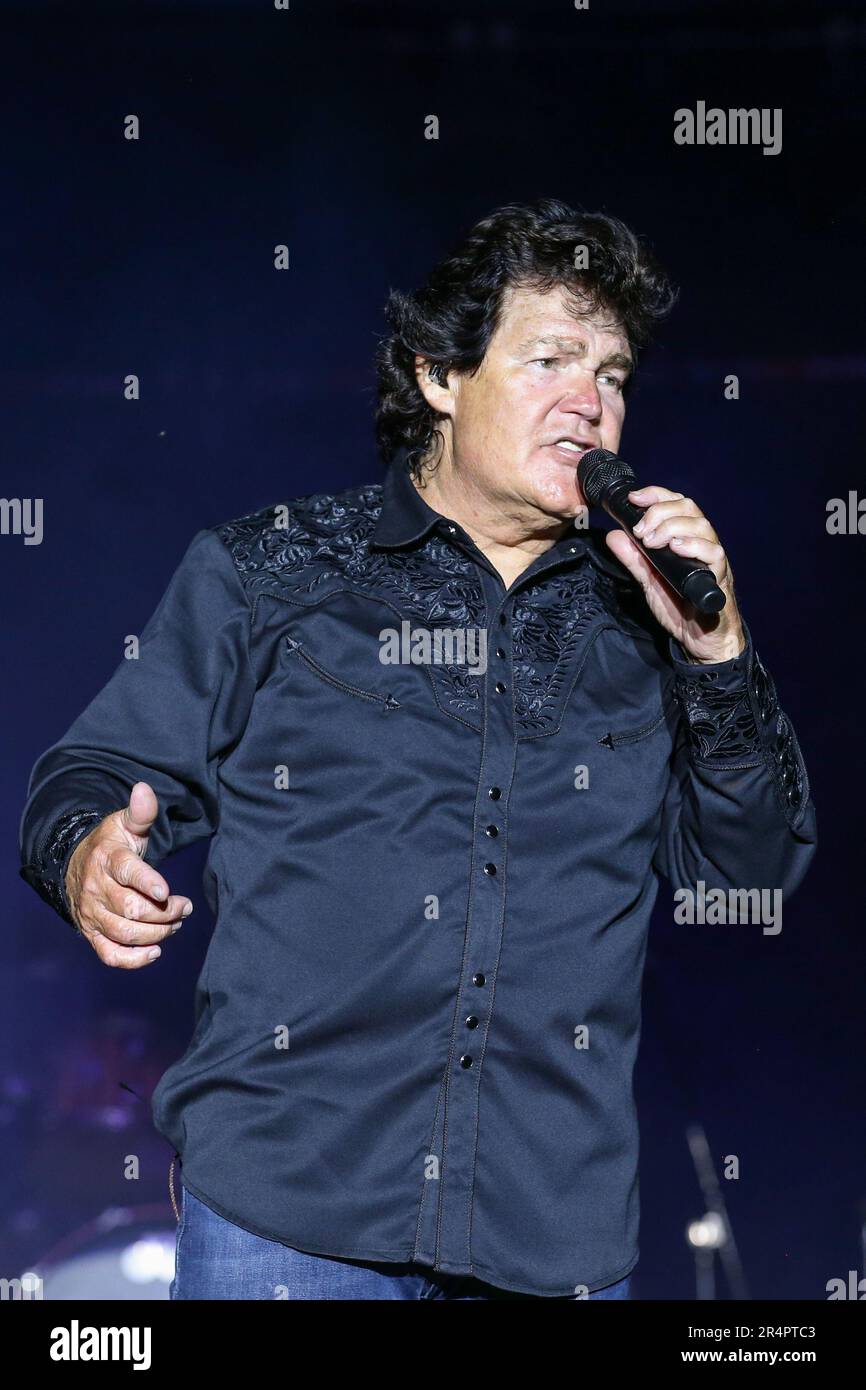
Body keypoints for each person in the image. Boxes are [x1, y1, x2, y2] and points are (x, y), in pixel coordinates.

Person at [19, 198, 817, 1300]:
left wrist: (719, 655)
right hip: (288, 1221)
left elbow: (752, 872)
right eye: (548, 359)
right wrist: (85, 855)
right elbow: (90, 774)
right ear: (438, 375)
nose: (589, 402)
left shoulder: (644, 622)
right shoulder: (272, 572)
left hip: (549, 1242)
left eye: (613, 374)